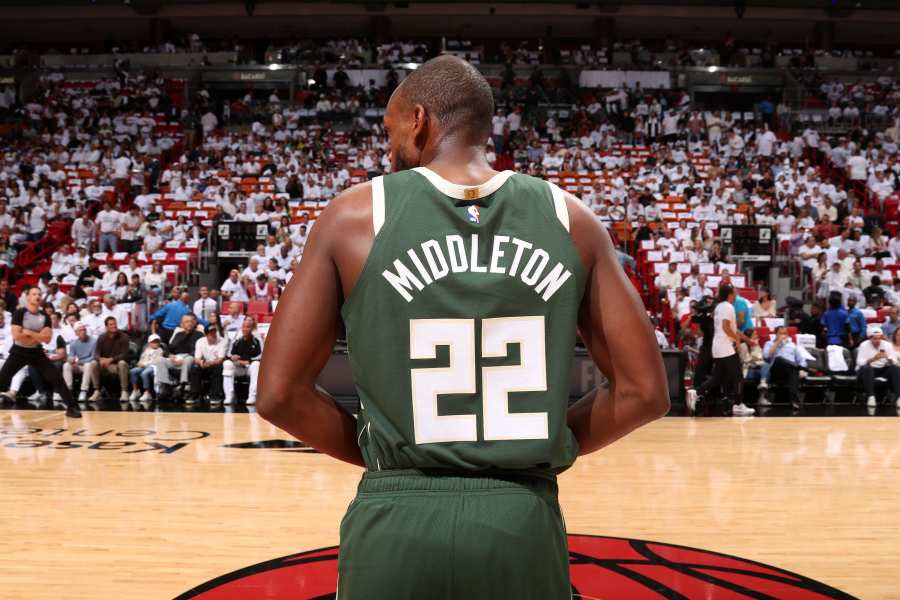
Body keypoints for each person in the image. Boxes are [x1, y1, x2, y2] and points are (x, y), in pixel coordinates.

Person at [256, 55, 669, 600]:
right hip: (520, 517)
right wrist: (550, 443)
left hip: (396, 513)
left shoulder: (353, 217)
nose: (388, 150)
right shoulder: (571, 218)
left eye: (390, 132)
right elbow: (645, 393)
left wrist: (382, 453)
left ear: (419, 121)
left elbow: (279, 395)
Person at [0, 286, 80, 417]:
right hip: (19, 351)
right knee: (2, 380)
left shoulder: (45, 316)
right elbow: (17, 336)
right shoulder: (20, 313)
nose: (37, 296)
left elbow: (47, 339)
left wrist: (29, 333)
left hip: (36, 352)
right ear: (28, 297)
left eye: (39, 294)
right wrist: (38, 336)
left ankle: (71, 408)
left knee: (57, 378)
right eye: (34, 294)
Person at [694, 284, 755, 416]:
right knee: (738, 375)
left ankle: (695, 393)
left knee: (717, 378)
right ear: (730, 294)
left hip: (718, 347)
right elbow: (726, 327)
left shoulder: (719, 307)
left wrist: (747, 340)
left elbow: (733, 329)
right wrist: (737, 340)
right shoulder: (727, 307)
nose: (736, 295)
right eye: (734, 292)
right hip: (725, 347)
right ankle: (738, 405)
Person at [153, 314, 204, 399]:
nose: (189, 323)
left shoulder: (199, 335)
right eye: (187, 322)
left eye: (191, 321)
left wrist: (183, 358)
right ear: (182, 324)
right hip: (176, 358)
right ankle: (166, 385)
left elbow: (199, 351)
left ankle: (183, 385)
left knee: (188, 359)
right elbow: (169, 348)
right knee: (160, 360)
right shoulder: (178, 334)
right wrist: (170, 355)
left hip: (190, 357)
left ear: (195, 323)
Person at [760, 326, 807, 408]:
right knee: (779, 359)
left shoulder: (792, 345)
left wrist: (802, 368)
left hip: (789, 371)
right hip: (775, 371)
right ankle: (796, 368)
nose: (783, 335)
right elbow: (766, 356)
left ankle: (793, 400)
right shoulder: (769, 343)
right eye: (780, 333)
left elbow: (802, 360)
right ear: (776, 334)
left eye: (785, 333)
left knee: (794, 370)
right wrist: (777, 342)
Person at [856, 325, 900, 409]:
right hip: (867, 371)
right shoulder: (864, 345)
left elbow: (894, 361)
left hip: (882, 369)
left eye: (879, 338)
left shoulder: (887, 345)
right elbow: (859, 362)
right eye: (875, 338)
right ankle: (871, 396)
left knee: (896, 368)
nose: (877, 341)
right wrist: (873, 359)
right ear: (870, 338)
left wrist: (888, 358)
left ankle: (899, 397)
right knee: (867, 367)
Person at [223, 317, 262, 405]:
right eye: (243, 327)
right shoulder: (237, 340)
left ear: (252, 329)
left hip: (250, 367)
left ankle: (252, 396)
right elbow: (229, 354)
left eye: (248, 327)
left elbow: (260, 356)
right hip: (238, 367)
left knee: (256, 365)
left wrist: (248, 361)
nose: (245, 329)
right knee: (227, 364)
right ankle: (229, 395)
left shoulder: (256, 340)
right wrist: (232, 358)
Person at [95, 316, 130, 401]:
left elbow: (125, 355)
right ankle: (97, 391)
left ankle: (124, 392)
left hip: (118, 365)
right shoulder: (101, 337)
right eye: (111, 324)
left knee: (122, 363)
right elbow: (96, 353)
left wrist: (110, 359)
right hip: (105, 365)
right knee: (93, 364)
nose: (114, 326)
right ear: (106, 327)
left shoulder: (124, 337)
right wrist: (100, 359)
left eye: (115, 324)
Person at [63, 322, 99, 402]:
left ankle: (83, 391)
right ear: (76, 333)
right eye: (80, 330)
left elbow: (94, 357)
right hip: (79, 365)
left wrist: (80, 362)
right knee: (66, 365)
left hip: (89, 365)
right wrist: (72, 361)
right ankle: (68, 390)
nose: (83, 332)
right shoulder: (74, 343)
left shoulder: (94, 341)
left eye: (84, 330)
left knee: (88, 365)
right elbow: (71, 356)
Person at [191, 326, 227, 403]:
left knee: (218, 367)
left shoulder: (222, 341)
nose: (214, 335)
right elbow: (197, 358)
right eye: (211, 334)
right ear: (206, 335)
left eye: (215, 333)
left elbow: (220, 359)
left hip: (216, 364)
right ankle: (194, 395)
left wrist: (210, 363)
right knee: (195, 367)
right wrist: (201, 363)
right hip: (204, 364)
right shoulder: (200, 341)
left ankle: (215, 396)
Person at [129, 334, 164, 401]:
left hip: (153, 367)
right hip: (144, 366)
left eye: (157, 342)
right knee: (133, 371)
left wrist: (144, 364)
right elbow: (142, 358)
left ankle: (147, 392)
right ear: (149, 343)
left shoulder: (160, 351)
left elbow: (155, 361)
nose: (156, 343)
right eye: (153, 342)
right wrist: (139, 363)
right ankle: (135, 390)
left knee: (145, 373)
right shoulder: (147, 350)